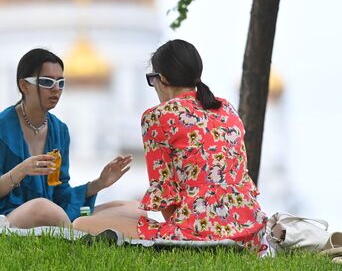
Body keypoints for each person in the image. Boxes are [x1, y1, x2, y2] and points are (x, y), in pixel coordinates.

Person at [73, 39, 267, 250]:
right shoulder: (226, 108)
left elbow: (166, 195)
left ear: (161, 79)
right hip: (251, 230)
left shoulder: (158, 116)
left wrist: (177, 232)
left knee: (81, 224)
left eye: (152, 79)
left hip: (201, 233)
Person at [0, 48, 145, 228]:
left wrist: (99, 183)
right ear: (24, 85)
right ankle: (80, 233)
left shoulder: (60, 130)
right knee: (43, 207)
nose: (56, 89)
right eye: (47, 82)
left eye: (61, 82)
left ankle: (81, 228)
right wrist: (21, 171)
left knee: (134, 210)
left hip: (54, 212)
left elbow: (61, 193)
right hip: (8, 216)